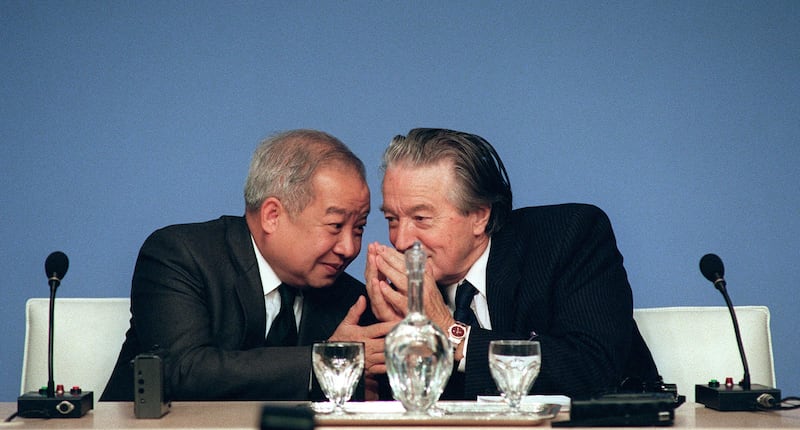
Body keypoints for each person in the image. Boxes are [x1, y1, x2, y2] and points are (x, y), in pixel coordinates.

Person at [366, 128, 660, 400]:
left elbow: (593, 369)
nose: (401, 241)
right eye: (392, 219)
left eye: (421, 219)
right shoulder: (398, 294)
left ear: (480, 216)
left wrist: (449, 331)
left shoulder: (568, 238)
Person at [102, 129, 389, 401]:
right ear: (272, 215)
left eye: (359, 228)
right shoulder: (180, 255)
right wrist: (325, 361)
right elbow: (183, 370)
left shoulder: (351, 299)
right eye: (335, 225)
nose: (349, 248)